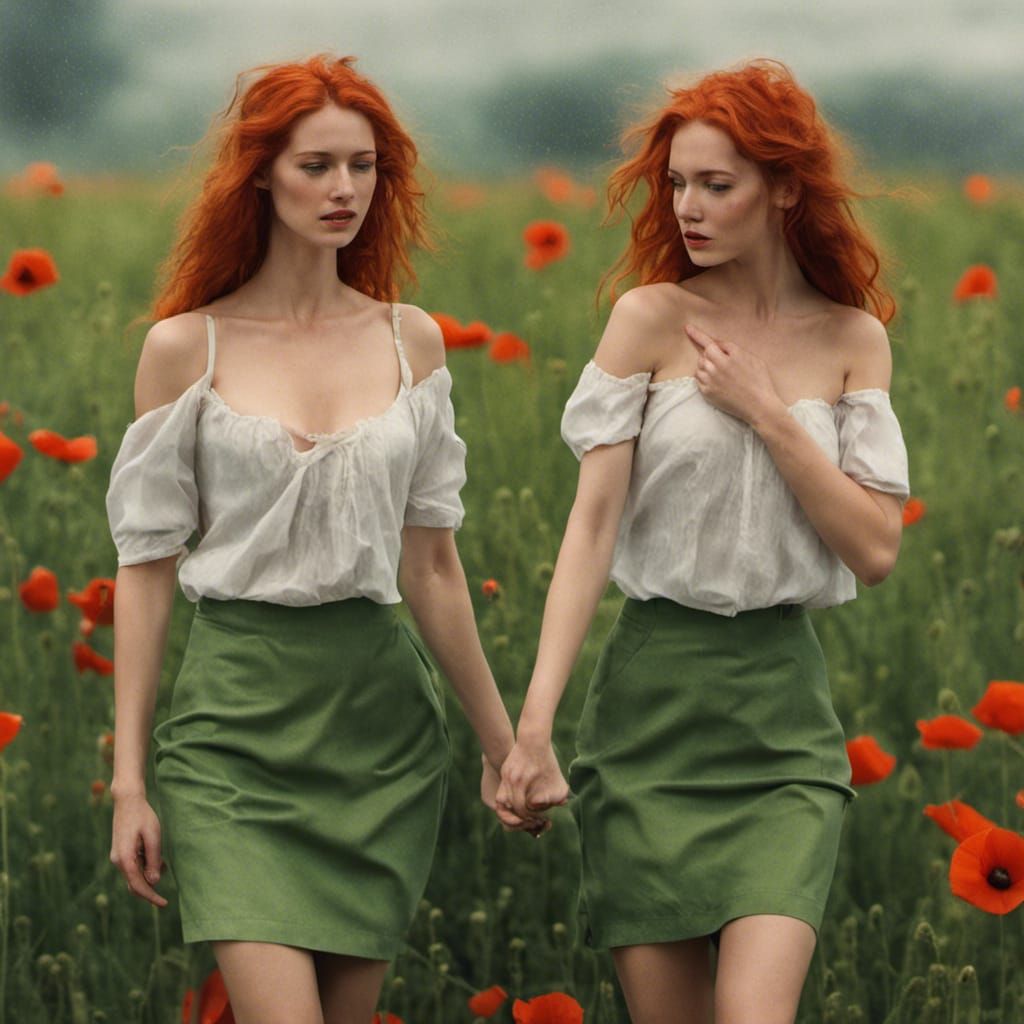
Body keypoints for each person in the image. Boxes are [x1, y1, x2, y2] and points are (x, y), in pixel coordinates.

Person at [106, 54, 537, 1024]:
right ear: (259, 173)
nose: (344, 189)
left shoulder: (409, 341)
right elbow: (143, 572)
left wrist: (502, 745)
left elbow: (431, 564)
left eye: (364, 165)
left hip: (376, 735)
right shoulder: (186, 346)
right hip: (234, 732)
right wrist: (130, 783)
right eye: (315, 166)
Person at [495, 60, 910, 1024]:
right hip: (647, 711)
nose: (688, 206)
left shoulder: (853, 337)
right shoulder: (650, 319)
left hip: (781, 727)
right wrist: (534, 723)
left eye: (716, 184)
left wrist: (770, 415)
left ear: (786, 187)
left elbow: (876, 548)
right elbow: (591, 527)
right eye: (677, 183)